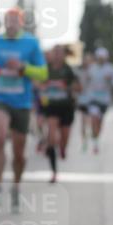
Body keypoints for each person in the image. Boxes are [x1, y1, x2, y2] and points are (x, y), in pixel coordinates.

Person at [0, 8, 47, 212]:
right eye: (7, 20)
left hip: (22, 102)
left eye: (14, 21)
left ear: (20, 23)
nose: (10, 24)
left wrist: (23, 68)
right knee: (0, 137)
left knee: (19, 153)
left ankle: (16, 186)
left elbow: (43, 73)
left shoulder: (31, 43)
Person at [37, 45, 77, 181]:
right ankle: (54, 173)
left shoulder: (68, 69)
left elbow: (77, 86)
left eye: (61, 53)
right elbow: (37, 84)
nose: (58, 55)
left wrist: (65, 85)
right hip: (51, 107)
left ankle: (63, 148)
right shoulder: (45, 69)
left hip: (66, 108)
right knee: (51, 138)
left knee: (63, 140)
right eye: (56, 53)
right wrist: (45, 86)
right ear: (52, 54)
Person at [82, 47, 113, 153]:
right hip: (93, 98)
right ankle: (95, 144)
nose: (101, 60)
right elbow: (84, 82)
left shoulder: (111, 69)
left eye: (103, 58)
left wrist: (111, 80)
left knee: (100, 122)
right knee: (94, 118)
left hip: (104, 100)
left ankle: (96, 136)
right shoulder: (92, 68)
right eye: (99, 58)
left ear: (106, 58)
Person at [76, 53, 94, 151]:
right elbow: (76, 86)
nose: (86, 62)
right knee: (83, 121)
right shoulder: (79, 72)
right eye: (85, 60)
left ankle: (92, 136)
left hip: (92, 100)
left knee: (90, 121)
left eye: (88, 60)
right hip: (82, 100)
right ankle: (84, 142)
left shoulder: (94, 72)